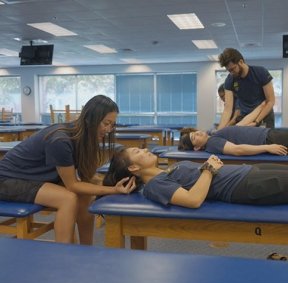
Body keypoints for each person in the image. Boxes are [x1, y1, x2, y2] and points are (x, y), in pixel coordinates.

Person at [0, 95, 136, 244]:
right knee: (67, 198)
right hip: (7, 180)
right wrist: (113, 190)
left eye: (112, 124)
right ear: (90, 119)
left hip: (33, 178)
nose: (109, 129)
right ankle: (64, 255)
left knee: (86, 196)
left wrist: (114, 183)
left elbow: (87, 179)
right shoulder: (61, 140)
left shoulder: (85, 138)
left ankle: (86, 249)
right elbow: (73, 185)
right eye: (106, 123)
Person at [103, 147, 288, 209]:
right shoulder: (154, 185)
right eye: (138, 151)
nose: (145, 149)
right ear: (133, 167)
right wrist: (209, 169)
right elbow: (193, 200)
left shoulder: (165, 171)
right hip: (244, 185)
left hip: (248, 171)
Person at [217, 48, 275, 129]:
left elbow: (270, 101)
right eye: (229, 70)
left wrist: (256, 121)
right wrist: (219, 131)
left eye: (233, 69)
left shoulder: (260, 72)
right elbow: (227, 109)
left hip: (264, 114)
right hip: (245, 117)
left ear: (241, 62)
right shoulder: (230, 80)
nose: (231, 73)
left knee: (265, 141)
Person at [178, 126, 288, 156]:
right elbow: (237, 150)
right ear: (196, 148)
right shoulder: (212, 143)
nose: (197, 133)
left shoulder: (212, 136)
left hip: (269, 134)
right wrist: (268, 147)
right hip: (268, 140)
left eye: (195, 132)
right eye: (194, 138)